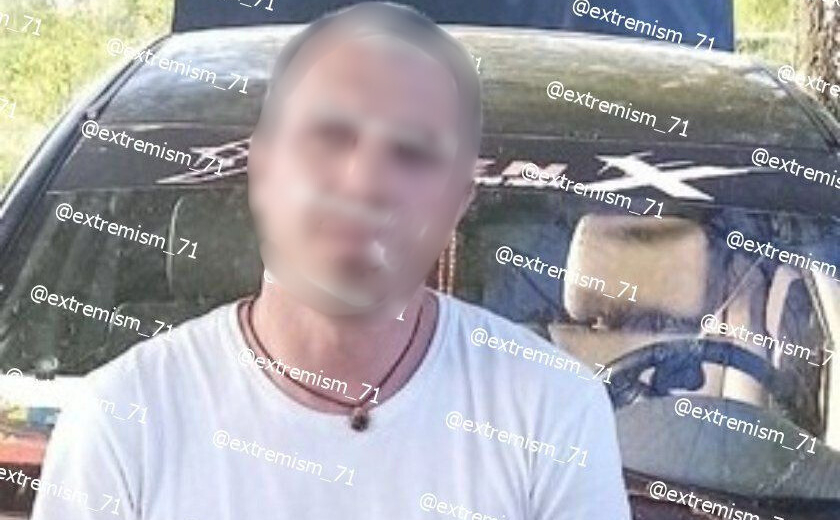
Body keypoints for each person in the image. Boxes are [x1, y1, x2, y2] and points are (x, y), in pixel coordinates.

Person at [32, 3, 631, 519]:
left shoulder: (552, 413)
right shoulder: (122, 422)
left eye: (413, 152)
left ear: (456, 202)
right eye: (331, 137)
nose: (364, 181)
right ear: (263, 166)